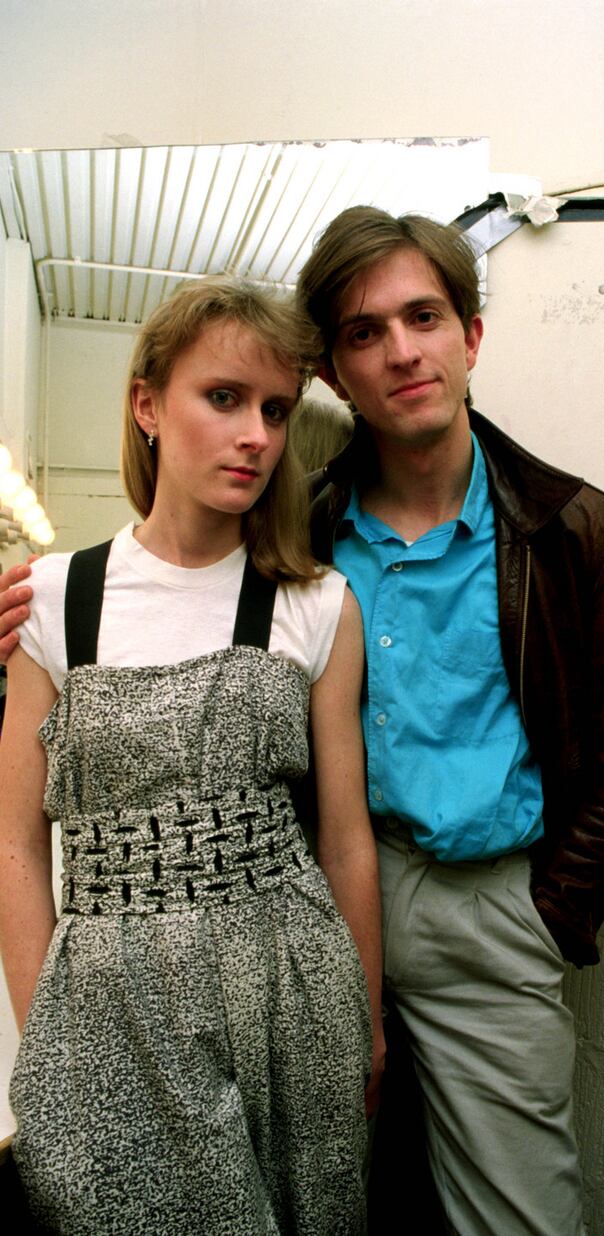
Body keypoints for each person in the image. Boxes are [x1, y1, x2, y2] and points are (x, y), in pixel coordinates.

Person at [294, 206, 604, 1236]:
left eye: (423, 317)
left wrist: (550, 911)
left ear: (470, 336)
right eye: (364, 332)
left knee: (519, 1219)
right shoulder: (300, 534)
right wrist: (47, 611)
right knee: (324, 1201)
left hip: (493, 908)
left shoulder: (572, 527)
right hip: (324, 908)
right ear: (333, 372)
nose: (401, 351)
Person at [0, 275, 384, 1235]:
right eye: (223, 397)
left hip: (287, 993)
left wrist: (366, 1021)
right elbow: (14, 841)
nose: (256, 434)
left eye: (275, 410)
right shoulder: (55, 600)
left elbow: (345, 841)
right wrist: (44, 1032)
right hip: (107, 1006)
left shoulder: (317, 605)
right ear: (148, 406)